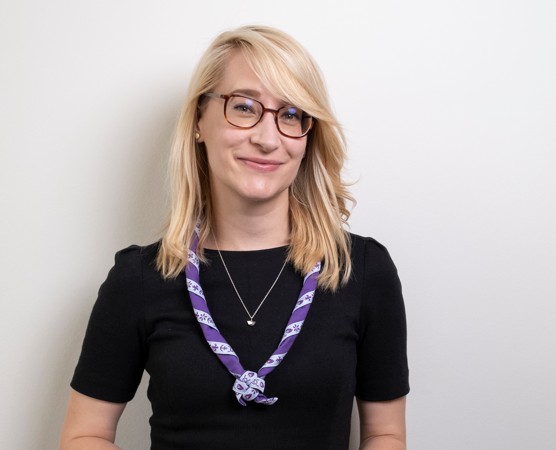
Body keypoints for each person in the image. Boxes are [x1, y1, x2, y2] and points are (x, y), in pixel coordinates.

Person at [59, 25, 409, 450]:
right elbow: (85, 435)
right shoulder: (139, 279)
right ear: (199, 121)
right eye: (243, 107)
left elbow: (385, 434)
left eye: (291, 114)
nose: (267, 138)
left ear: (308, 137)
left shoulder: (362, 270)